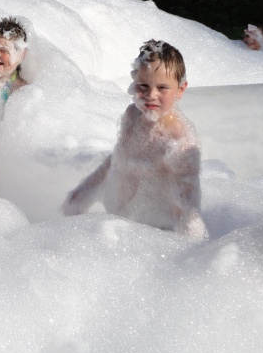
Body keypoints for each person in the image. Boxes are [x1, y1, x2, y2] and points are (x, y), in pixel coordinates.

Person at [63, 39, 207, 238]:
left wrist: (191, 241)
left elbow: (188, 201)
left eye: (162, 88)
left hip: (157, 233)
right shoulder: (132, 115)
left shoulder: (179, 138)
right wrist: (85, 190)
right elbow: (117, 159)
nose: (151, 95)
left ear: (180, 89)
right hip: (120, 219)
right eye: (143, 85)